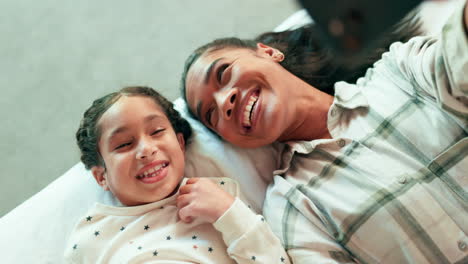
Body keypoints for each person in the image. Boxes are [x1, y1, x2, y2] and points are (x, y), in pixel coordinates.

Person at [180, 1, 468, 263]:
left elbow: (460, 55)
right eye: (211, 115)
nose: (224, 103)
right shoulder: (294, 210)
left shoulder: (402, 72)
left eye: (223, 73)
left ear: (269, 53)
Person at [64, 86, 290, 263]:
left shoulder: (220, 201)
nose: (146, 150)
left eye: (157, 131)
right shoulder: (91, 237)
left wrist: (229, 213)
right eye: (124, 144)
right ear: (101, 177)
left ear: (180, 144)